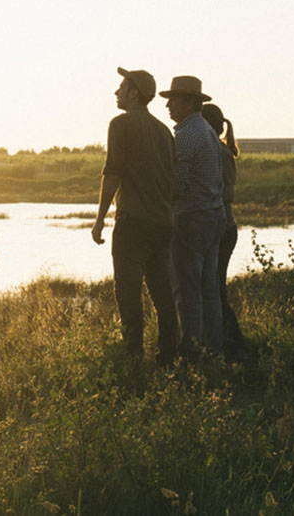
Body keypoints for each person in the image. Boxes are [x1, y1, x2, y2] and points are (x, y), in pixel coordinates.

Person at [91, 67, 180, 365]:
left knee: (128, 293)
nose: (115, 92)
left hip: (133, 225)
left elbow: (112, 173)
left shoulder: (120, 124)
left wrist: (99, 219)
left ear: (133, 93)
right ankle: (169, 358)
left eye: (120, 87)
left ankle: (133, 357)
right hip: (163, 225)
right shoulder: (165, 132)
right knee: (163, 295)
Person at [160, 76, 225, 362]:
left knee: (187, 290)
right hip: (213, 214)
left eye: (173, 99)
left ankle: (192, 352)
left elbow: (177, 186)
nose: (168, 105)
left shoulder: (186, 135)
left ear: (188, 101)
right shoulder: (207, 130)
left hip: (191, 217)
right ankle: (214, 350)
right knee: (209, 288)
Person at [200, 102, 248, 357]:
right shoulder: (218, 150)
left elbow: (228, 192)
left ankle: (233, 343)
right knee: (213, 287)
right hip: (221, 227)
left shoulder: (219, 152)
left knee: (215, 288)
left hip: (222, 228)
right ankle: (224, 341)